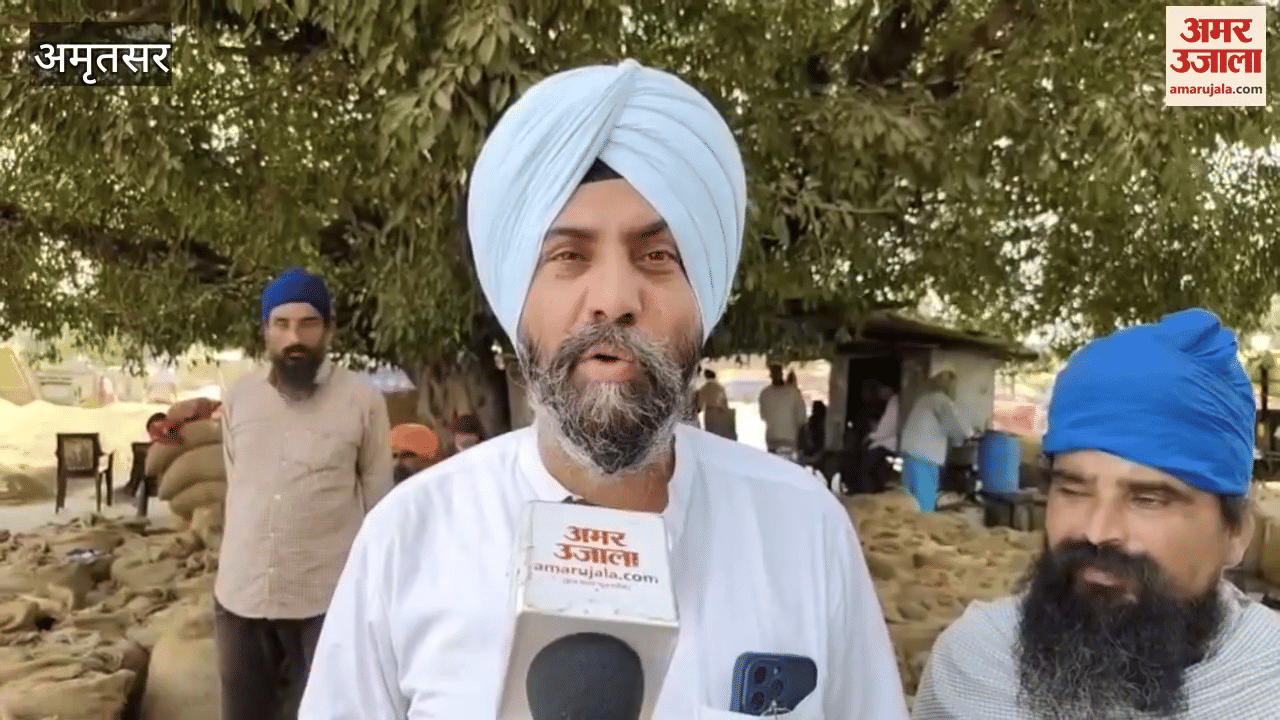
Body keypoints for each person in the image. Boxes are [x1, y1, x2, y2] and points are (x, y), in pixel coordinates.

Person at [300, 59, 907, 719]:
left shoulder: (803, 529)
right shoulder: (409, 538)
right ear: (516, 298)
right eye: (569, 257)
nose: (615, 300)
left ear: (705, 296)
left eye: (657, 257)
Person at [913, 309, 1280, 720]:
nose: (1097, 532)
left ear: (1236, 534)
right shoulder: (972, 667)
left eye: (1148, 499)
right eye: (1072, 489)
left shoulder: (1267, 689)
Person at [216, 267, 393, 720]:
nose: (294, 337)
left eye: (308, 323)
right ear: (266, 332)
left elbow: (379, 500)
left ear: (329, 330)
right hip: (242, 596)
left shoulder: (362, 398)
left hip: (327, 602)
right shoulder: (239, 397)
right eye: (282, 324)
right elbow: (238, 484)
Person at [900, 371, 973, 511]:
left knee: (908, 502)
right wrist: (969, 434)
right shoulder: (941, 400)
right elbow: (956, 424)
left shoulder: (924, 399)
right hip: (924, 458)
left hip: (910, 455)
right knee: (924, 504)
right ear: (950, 387)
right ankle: (923, 529)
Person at [758, 363, 807, 459]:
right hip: (790, 439)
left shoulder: (765, 394)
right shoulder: (794, 393)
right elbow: (801, 417)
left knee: (774, 468)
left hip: (773, 439)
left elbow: (763, 416)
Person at [859, 382, 899, 494]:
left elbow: (886, 427)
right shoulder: (895, 402)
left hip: (886, 444)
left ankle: (870, 496)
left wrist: (871, 437)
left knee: (866, 470)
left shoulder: (894, 402)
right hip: (888, 444)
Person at [695, 369, 736, 439]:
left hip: (709, 411)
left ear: (706, 377)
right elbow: (724, 401)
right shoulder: (720, 387)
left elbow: (700, 401)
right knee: (718, 430)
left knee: (709, 430)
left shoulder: (705, 387)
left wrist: (699, 408)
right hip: (719, 411)